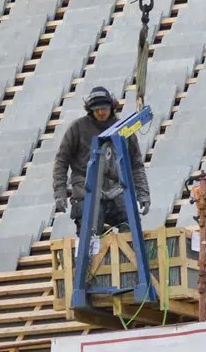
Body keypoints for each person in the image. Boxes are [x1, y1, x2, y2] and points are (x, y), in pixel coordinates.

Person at [51, 85, 150, 240]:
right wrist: (60, 193)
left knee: (132, 225)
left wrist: (143, 194)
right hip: (86, 190)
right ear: (90, 109)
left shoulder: (123, 129)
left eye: (104, 108)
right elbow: (61, 162)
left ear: (112, 107)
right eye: (96, 109)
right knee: (90, 234)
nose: (101, 112)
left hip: (116, 190)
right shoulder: (77, 128)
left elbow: (136, 165)